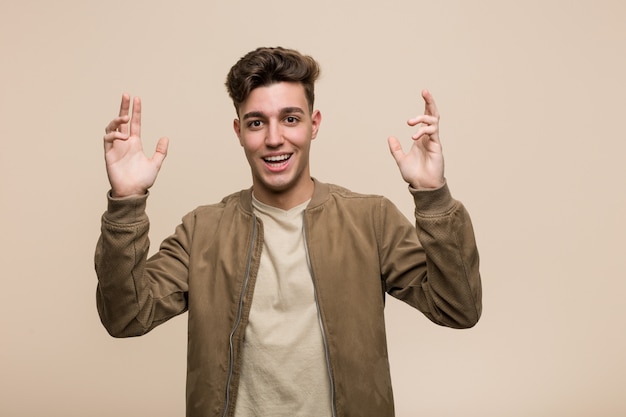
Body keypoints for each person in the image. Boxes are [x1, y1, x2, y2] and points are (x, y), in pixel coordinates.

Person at [95, 46, 482, 417]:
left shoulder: (371, 219)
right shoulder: (202, 230)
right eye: (257, 122)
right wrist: (127, 200)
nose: (274, 138)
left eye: (291, 119)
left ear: (314, 125)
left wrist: (432, 196)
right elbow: (126, 317)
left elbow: (458, 308)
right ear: (239, 131)